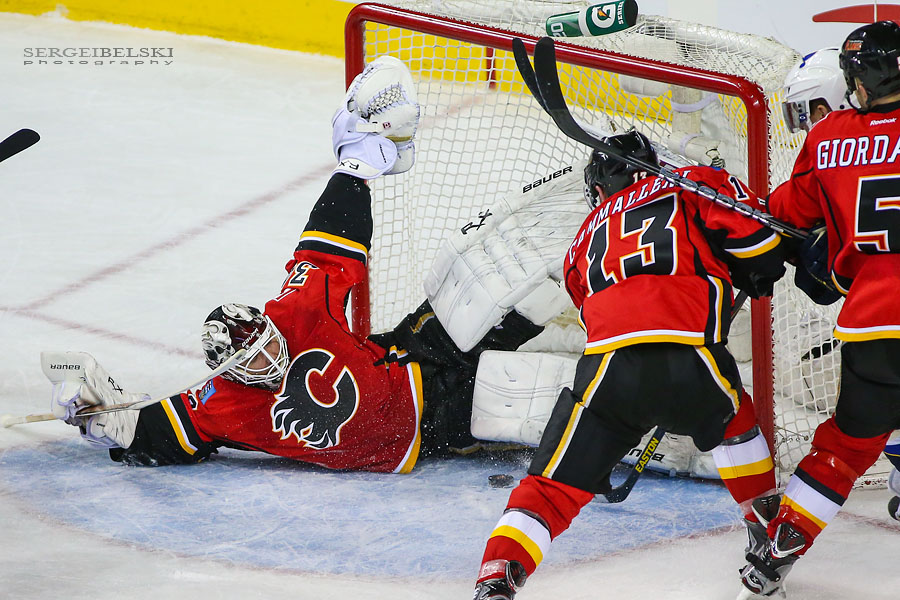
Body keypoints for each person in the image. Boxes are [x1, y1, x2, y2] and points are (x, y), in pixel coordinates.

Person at [46, 55, 545, 473]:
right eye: (253, 363)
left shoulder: (296, 313)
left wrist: (355, 170)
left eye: (265, 345)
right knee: (529, 397)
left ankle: (600, 239)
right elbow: (148, 434)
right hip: (430, 425)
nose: (269, 360)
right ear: (230, 372)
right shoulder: (221, 404)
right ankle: (619, 418)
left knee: (486, 279)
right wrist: (94, 418)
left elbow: (326, 245)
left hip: (409, 361)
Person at [472, 130, 789, 600]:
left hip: (608, 371)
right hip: (692, 356)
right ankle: (768, 534)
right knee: (734, 421)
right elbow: (761, 239)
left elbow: (590, 305)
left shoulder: (583, 237)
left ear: (599, 188)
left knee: (551, 484)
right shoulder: (693, 184)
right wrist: (753, 268)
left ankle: (498, 576)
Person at [738, 21, 900, 597]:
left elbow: (785, 214)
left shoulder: (829, 135)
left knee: (845, 447)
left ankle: (778, 550)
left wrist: (736, 203)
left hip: (874, 324)